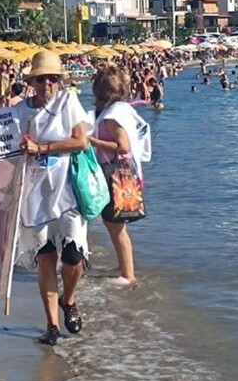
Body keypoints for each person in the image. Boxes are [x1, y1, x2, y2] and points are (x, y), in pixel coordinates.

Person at [16, 50, 89, 346]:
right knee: (46, 259)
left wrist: (42, 148)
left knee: (74, 256)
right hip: (34, 193)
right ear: (32, 81)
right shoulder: (20, 110)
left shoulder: (68, 102)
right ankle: (52, 326)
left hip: (66, 190)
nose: (47, 83)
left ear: (59, 81)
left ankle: (68, 300)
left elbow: (80, 141)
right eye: (41, 78)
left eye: (52, 78)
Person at [89, 66, 151, 286]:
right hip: (125, 172)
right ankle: (123, 267)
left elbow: (122, 146)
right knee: (113, 223)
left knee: (116, 225)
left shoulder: (112, 116)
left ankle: (128, 274)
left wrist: (92, 141)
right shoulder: (121, 109)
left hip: (116, 173)